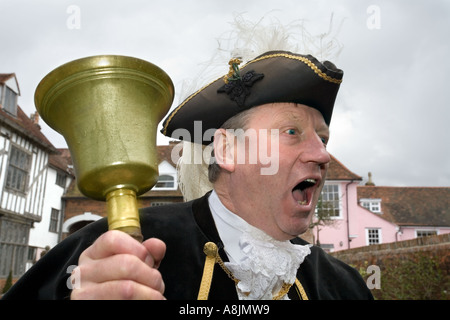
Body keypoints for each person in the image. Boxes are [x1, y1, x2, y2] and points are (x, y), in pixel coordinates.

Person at [2, 50, 373, 300]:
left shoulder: (344, 285)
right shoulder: (109, 249)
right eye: (292, 132)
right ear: (227, 150)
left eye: (322, 138)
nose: (322, 154)